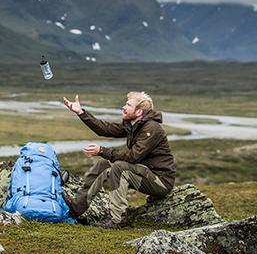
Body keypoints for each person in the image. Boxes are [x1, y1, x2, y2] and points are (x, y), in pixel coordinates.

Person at [62, 92, 175, 228]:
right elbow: (105, 129)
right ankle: (77, 207)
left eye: (128, 105)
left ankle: (118, 219)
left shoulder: (151, 128)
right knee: (103, 164)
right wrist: (81, 112)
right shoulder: (133, 125)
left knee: (119, 167)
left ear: (139, 111)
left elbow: (134, 156)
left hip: (160, 181)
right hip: (144, 173)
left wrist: (102, 151)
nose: (123, 107)